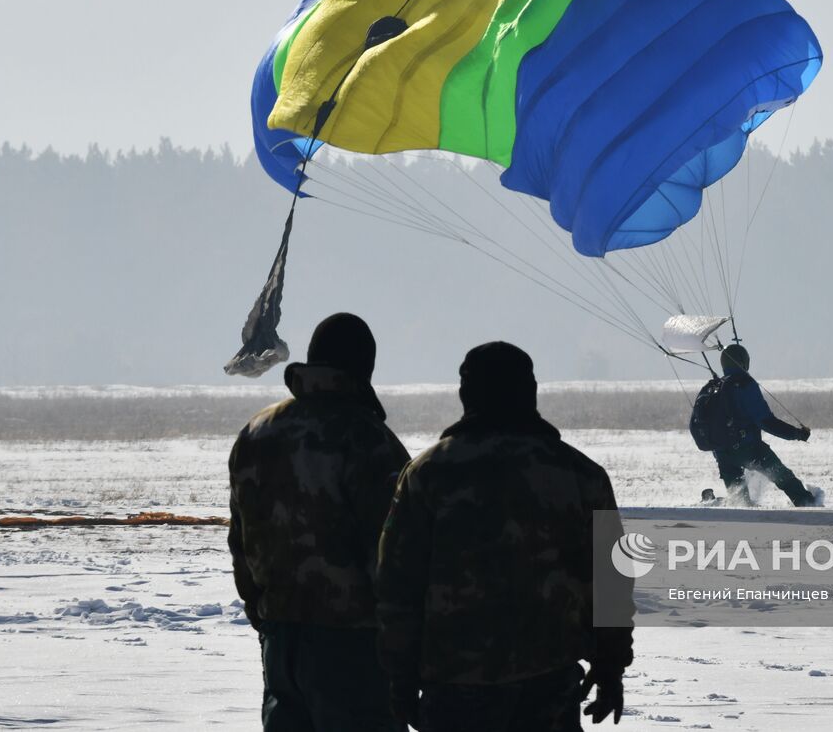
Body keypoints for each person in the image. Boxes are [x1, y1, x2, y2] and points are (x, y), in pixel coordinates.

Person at [375, 341, 634, 731]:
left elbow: (397, 584)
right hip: (550, 684)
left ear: (466, 395)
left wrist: (400, 678)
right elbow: (613, 582)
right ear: (530, 393)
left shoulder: (427, 475)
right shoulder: (581, 475)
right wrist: (610, 665)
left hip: (454, 686)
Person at [228, 313, 412, 731]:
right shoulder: (368, 440)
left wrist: (266, 619)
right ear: (365, 367)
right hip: (354, 651)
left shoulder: (256, 434)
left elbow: (241, 545)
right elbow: (392, 560)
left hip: (280, 643)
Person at [708, 344, 818, 507]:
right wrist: (796, 434)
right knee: (783, 476)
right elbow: (767, 422)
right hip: (749, 449)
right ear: (744, 362)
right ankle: (807, 503)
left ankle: (713, 503)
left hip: (722, 454)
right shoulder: (745, 385)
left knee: (740, 504)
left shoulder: (714, 388)